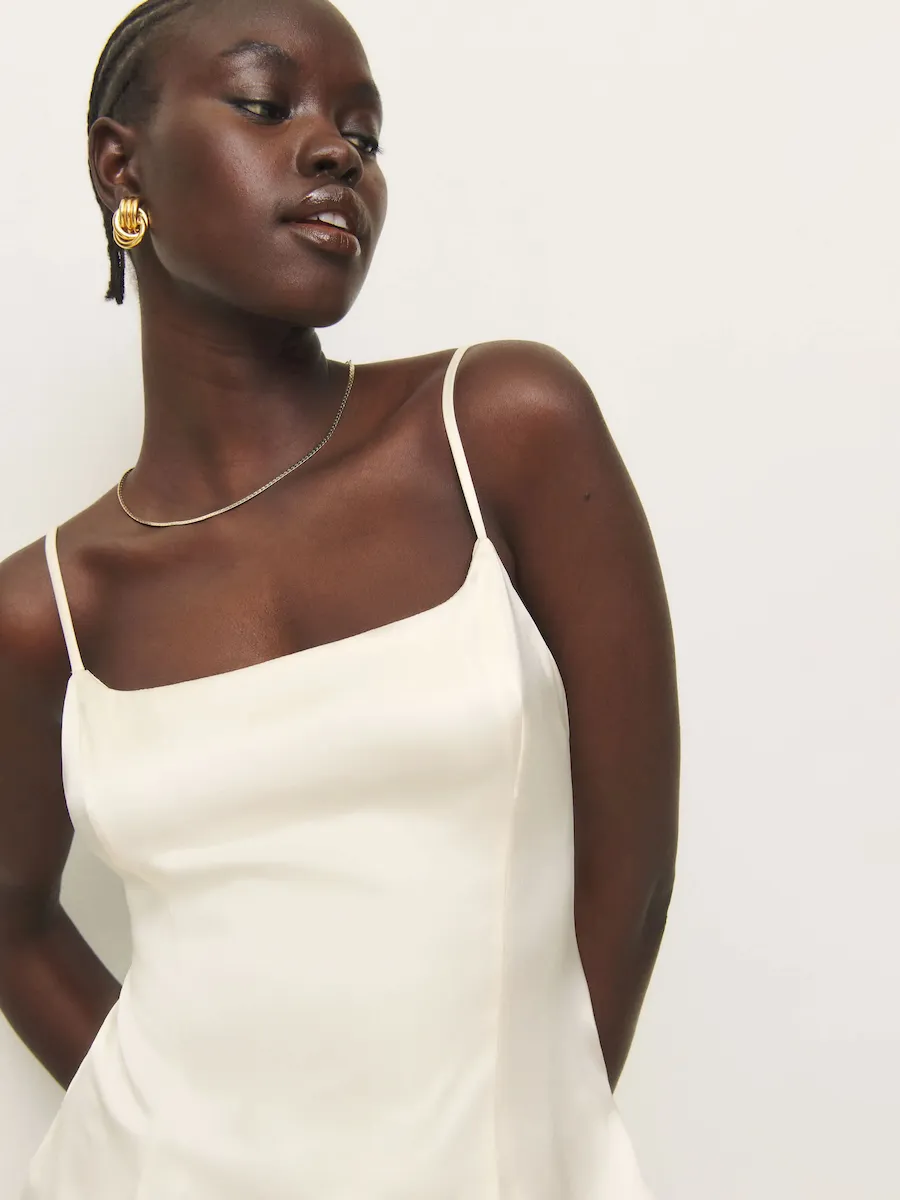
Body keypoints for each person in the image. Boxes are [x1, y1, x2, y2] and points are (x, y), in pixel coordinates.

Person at [0, 0, 680, 1195]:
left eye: (363, 133)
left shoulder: (499, 431)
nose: (336, 152)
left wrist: (534, 1139)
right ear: (121, 166)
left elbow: (631, 870)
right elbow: (9, 920)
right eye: (267, 106)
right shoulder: (46, 606)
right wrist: (169, 1138)